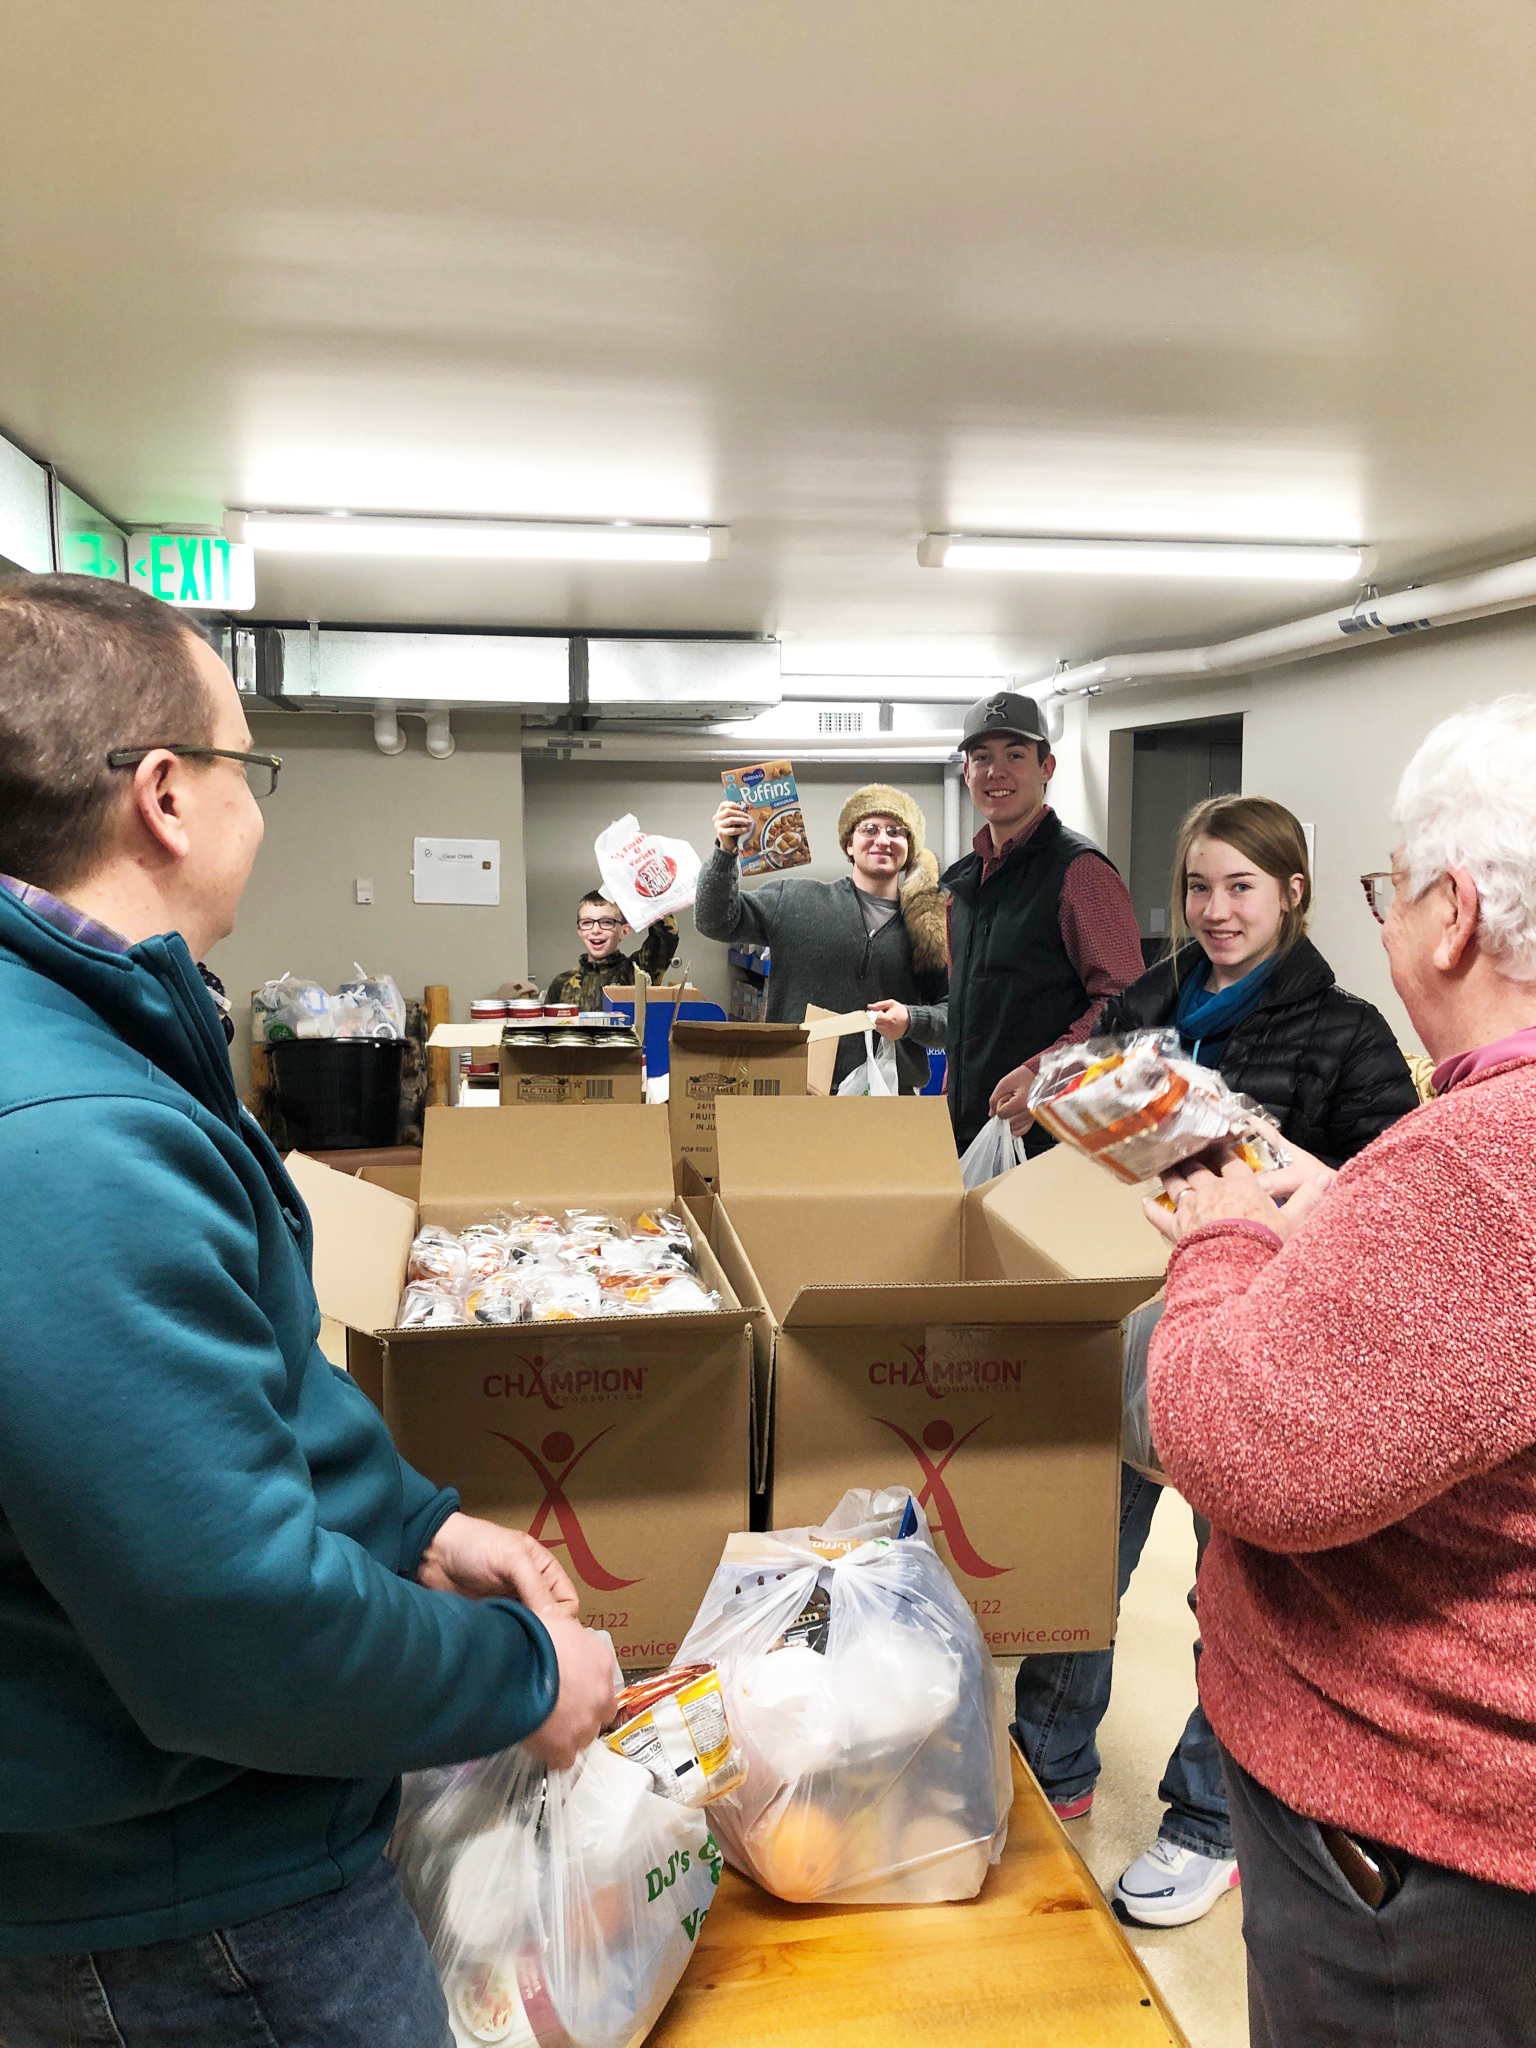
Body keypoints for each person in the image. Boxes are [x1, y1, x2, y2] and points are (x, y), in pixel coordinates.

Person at [0, 575, 618, 2046]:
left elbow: (228, 1379)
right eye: (244, 767)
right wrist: (527, 1679)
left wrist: (411, 1520)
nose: (253, 811)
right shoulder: (70, 1136)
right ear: (165, 795)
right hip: (189, 1908)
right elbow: (232, 1627)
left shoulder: (89, 1031)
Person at [1144, 695, 1536, 2046]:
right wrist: (1353, 1201)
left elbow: (1237, 1441)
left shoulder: (1484, 1162)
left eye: (1391, 888)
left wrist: (1225, 1240)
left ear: (1454, 913)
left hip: (1419, 1860)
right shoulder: (1462, 1150)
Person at [1012, 795, 1418, 1928]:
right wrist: (1057, 1094)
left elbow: (1382, 1198)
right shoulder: (1142, 1006)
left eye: (1242, 885)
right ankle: (1048, 1764)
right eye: (1198, 885)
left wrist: (1278, 1169)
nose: (1216, 909)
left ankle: (1205, 1819)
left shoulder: (1347, 1032)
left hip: (1257, 1338)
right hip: (1123, 1317)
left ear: (1293, 892)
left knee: (1230, 1585)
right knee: (1079, 1556)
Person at [941, 690, 1143, 1157]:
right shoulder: (966, 884)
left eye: (1015, 755)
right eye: (982, 757)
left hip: (1052, 1140)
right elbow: (971, 1010)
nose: (997, 771)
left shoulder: (1080, 872)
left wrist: (1044, 1075)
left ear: (1046, 768)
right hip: (972, 1134)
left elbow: (1126, 1004)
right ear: (967, 772)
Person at [695, 782, 947, 1091]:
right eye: (870, 829)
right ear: (849, 845)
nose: (883, 840)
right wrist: (724, 850)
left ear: (909, 847)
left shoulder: (931, 928)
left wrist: (911, 1019)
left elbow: (955, 1015)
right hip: (795, 1093)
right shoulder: (795, 900)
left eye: (896, 832)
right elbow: (714, 921)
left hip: (888, 1100)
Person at [544, 888, 678, 1009]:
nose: (596, 930)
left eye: (607, 922)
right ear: (579, 930)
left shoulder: (637, 972)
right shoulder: (561, 983)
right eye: (587, 922)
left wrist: (645, 891)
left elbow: (666, 937)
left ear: (625, 931)